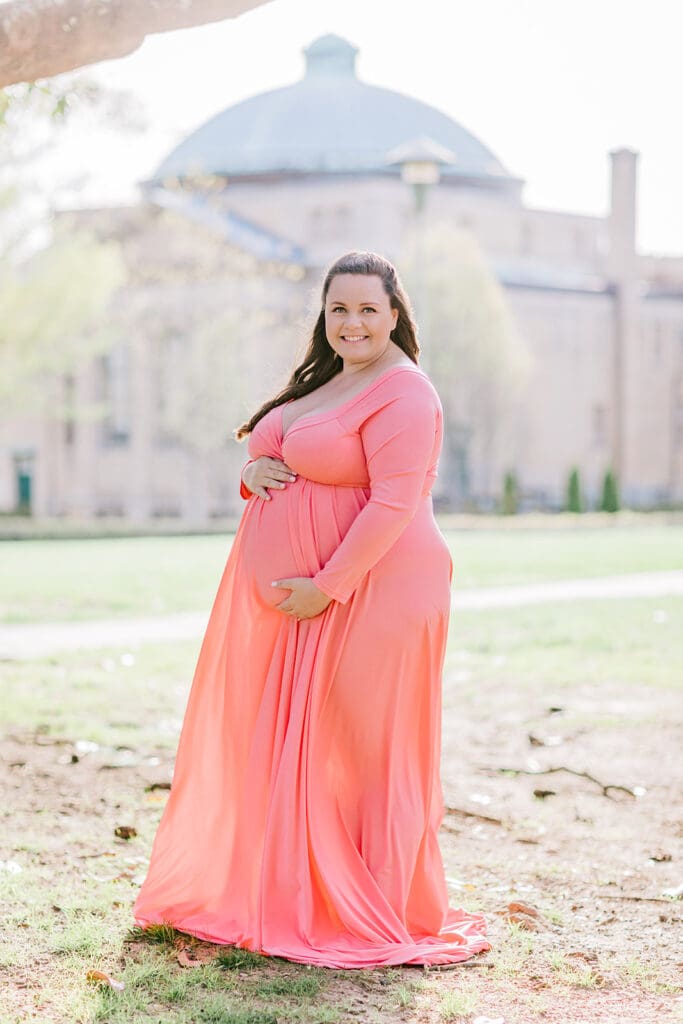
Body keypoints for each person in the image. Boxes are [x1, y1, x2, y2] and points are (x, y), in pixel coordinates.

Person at [132, 250, 490, 968]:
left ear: (395, 314)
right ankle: (308, 889)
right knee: (318, 746)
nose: (351, 322)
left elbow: (393, 503)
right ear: (323, 317)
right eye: (338, 309)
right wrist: (250, 474)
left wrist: (326, 585)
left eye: (366, 309)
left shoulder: (404, 392)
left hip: (379, 588)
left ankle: (379, 904)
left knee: (368, 749)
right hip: (322, 597)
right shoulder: (331, 381)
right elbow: (281, 453)